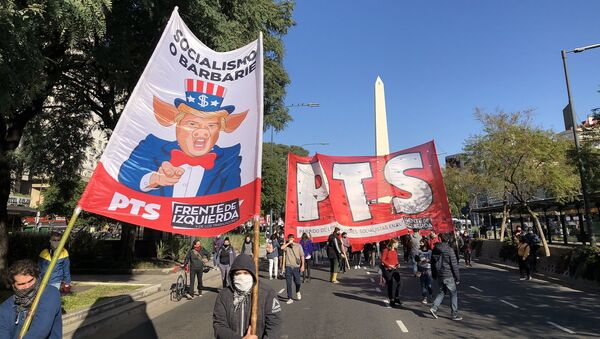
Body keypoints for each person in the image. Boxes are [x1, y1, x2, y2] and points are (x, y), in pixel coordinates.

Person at [213, 254, 282, 338]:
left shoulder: (267, 293)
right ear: (232, 275)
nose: (242, 277)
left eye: (246, 273)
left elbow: (274, 325)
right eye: (238, 273)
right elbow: (219, 325)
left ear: (252, 275)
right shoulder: (224, 295)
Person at [0, 259, 62, 338]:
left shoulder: (50, 293)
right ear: (13, 285)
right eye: (21, 284)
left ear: (36, 277)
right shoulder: (5, 308)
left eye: (30, 281)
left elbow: (40, 330)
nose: (27, 286)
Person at [429, 233, 462, 321]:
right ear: (448, 240)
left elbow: (432, 263)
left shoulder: (435, 249)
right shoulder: (449, 250)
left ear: (440, 239)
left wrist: (434, 274)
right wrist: (457, 278)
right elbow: (454, 265)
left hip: (439, 274)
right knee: (453, 294)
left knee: (442, 292)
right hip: (448, 275)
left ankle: (434, 308)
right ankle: (454, 314)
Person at [280, 234, 305, 304]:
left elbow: (302, 256)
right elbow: (282, 248)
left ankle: (297, 291)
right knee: (288, 283)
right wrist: (288, 243)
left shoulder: (298, 246)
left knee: (298, 282)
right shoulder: (287, 246)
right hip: (288, 266)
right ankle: (290, 298)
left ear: (294, 239)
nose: (290, 239)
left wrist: (303, 265)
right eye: (289, 238)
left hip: (296, 266)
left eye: (291, 238)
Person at [381, 238, 402, 308]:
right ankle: (391, 299)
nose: (398, 244)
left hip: (395, 269)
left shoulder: (395, 250)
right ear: (393, 244)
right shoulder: (386, 250)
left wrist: (398, 264)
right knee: (390, 284)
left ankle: (396, 297)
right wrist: (389, 265)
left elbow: (396, 260)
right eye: (397, 243)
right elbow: (382, 260)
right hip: (388, 269)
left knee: (400, 282)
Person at [416, 240, 433, 304]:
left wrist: (428, 260)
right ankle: (425, 298)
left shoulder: (430, 251)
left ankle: (431, 296)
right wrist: (418, 260)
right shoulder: (419, 251)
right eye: (420, 243)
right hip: (421, 269)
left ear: (425, 244)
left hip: (429, 269)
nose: (420, 244)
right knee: (423, 285)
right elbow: (416, 260)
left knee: (429, 285)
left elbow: (433, 260)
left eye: (421, 242)